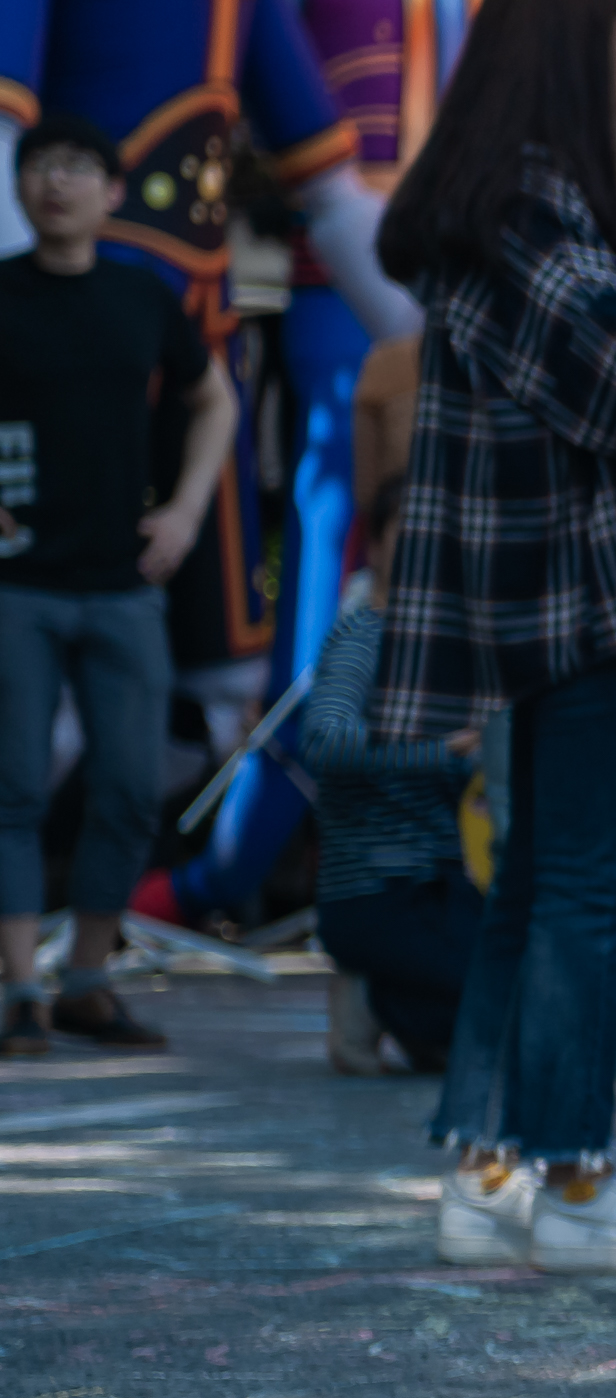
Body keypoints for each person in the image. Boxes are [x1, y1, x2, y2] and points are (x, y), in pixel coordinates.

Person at [371, 0, 616, 1276]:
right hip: (589, 586)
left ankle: (485, 1167)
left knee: (536, 883)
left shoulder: (491, 190)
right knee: (582, 885)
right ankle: (575, 1173)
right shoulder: (527, 197)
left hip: (532, 586)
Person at [0, 112, 237, 1057]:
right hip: (18, 587)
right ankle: (20, 990)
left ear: (110, 191)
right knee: (13, 789)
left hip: (126, 586)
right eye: (39, 168)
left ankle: (88, 980)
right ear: (20, 189)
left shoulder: (144, 298)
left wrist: (184, 511)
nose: (56, 184)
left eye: (77, 168)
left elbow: (214, 396)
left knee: (134, 786)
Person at [302, 476, 485, 1095]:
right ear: (376, 548)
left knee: (514, 989)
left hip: (440, 882)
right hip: (375, 890)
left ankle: (408, 1016)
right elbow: (323, 740)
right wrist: (437, 750)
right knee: (498, 988)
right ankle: (372, 994)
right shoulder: (363, 638)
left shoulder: (447, 647)